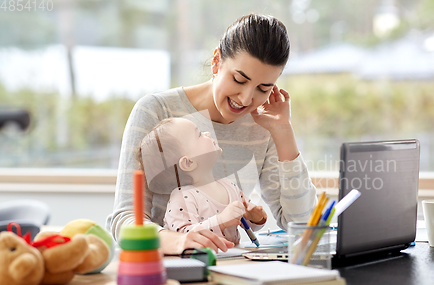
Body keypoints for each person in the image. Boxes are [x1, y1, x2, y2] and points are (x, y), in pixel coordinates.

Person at [106, 13, 317, 254]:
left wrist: (284, 133)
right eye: (239, 79)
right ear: (216, 62)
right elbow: (125, 221)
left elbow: (302, 225)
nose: (246, 99)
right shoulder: (156, 111)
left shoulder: (263, 125)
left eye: (263, 88)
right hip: (170, 269)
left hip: (230, 268)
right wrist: (180, 241)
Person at [137, 118, 268, 245]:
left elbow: (249, 224)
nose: (208, 133)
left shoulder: (229, 186)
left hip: (231, 262)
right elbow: (182, 236)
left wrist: (256, 218)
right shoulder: (183, 197)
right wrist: (221, 221)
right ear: (188, 162)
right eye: (199, 135)